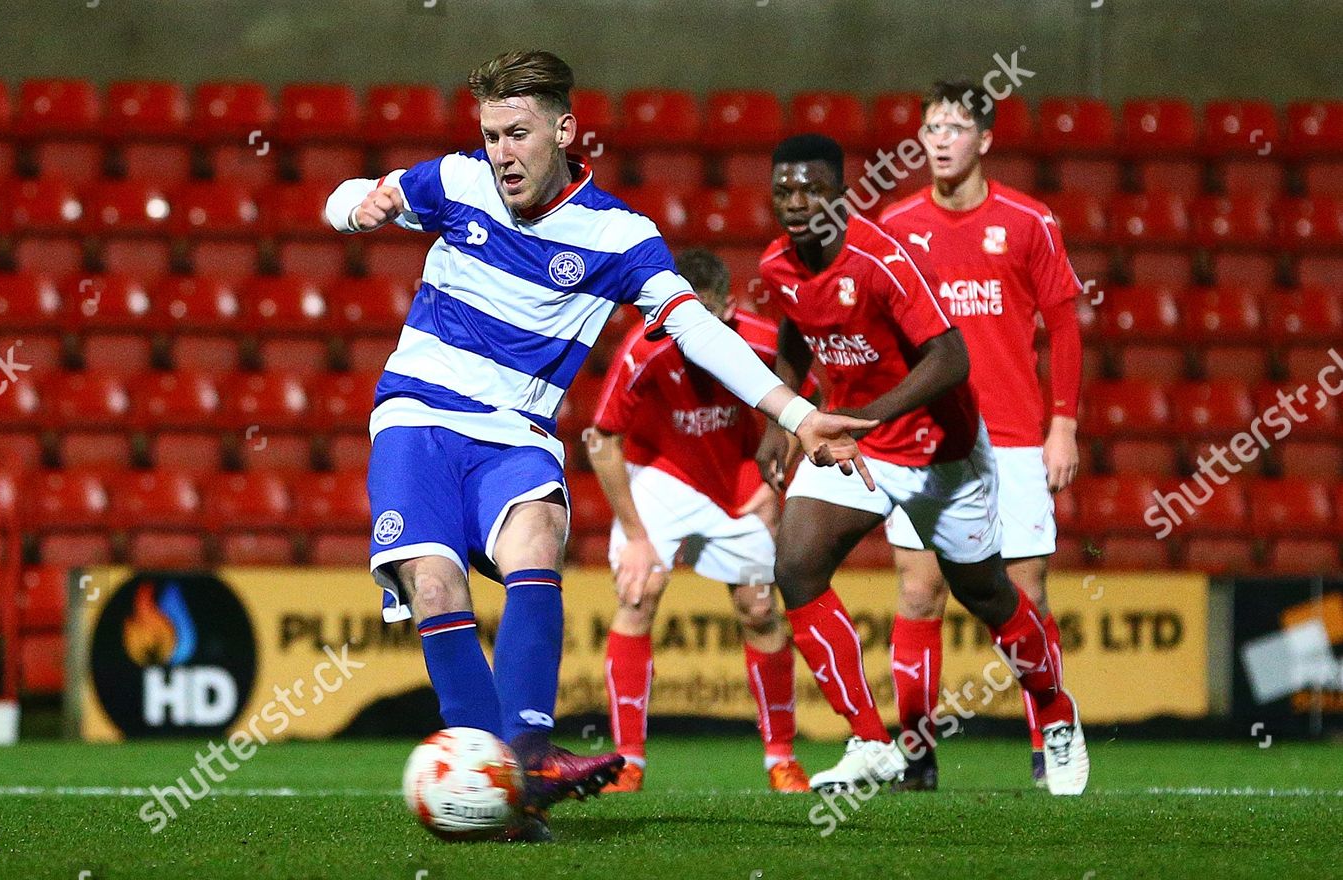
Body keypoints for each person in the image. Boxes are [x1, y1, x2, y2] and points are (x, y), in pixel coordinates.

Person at [325, 51, 879, 839]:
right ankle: (501, 785)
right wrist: (363, 206)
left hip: (516, 432)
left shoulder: (619, 235)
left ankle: (526, 758)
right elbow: (340, 200)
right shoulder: (453, 183)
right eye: (490, 135)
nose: (502, 153)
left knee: (539, 535)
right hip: (418, 417)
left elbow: (692, 327)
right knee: (435, 585)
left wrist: (796, 415)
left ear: (564, 129)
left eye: (518, 133)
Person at [753, 133, 1089, 797]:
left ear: (839, 193)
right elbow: (795, 329)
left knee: (986, 592)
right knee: (795, 564)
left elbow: (951, 358)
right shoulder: (776, 265)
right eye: (784, 190)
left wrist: (872, 415)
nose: (796, 203)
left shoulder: (883, 258)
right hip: (858, 441)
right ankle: (872, 742)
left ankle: (1054, 709)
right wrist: (780, 423)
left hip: (944, 452)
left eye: (811, 189)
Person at [877, 80, 1085, 789]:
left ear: (985, 140)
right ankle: (916, 752)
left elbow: (1063, 322)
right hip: (931, 440)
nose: (939, 138)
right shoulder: (896, 226)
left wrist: (1064, 423)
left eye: (955, 127)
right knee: (917, 592)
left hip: (1018, 436)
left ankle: (1049, 734)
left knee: (1026, 593)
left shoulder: (1029, 221)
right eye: (930, 126)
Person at [587, 248, 815, 794]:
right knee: (639, 594)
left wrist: (774, 473)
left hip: (738, 477)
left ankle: (781, 758)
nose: (689, 334)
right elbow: (602, 441)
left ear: (729, 309)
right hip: (664, 475)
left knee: (759, 609)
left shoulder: (761, 339)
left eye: (703, 318)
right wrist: (638, 537)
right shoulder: (644, 346)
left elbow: (808, 400)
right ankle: (627, 761)